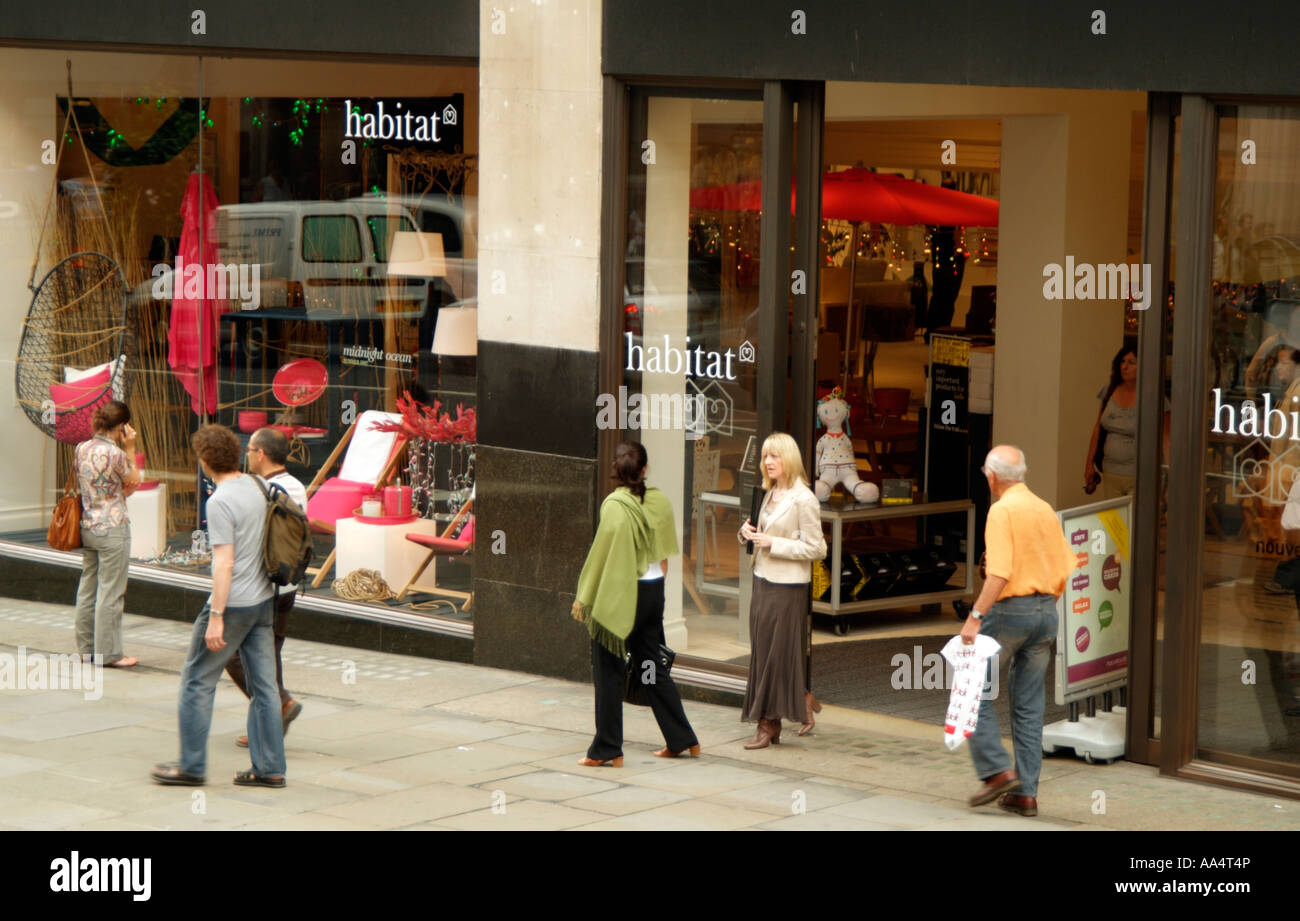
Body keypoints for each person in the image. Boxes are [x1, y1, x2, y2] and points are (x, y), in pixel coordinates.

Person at [152, 424, 286, 788]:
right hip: (262, 601)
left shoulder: (221, 501)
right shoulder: (258, 486)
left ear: (204, 462)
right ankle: (270, 767)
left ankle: (192, 766)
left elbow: (224, 563)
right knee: (265, 687)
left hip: (234, 603)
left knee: (197, 680)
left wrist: (216, 617)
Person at [960, 446, 1077, 817]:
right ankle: (1026, 794)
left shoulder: (1001, 510)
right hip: (1046, 612)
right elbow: (1065, 563)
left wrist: (976, 614)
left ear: (992, 477)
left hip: (1010, 611)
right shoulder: (1043, 508)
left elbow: (999, 573)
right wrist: (1045, 602)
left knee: (970, 687)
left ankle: (996, 772)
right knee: (1028, 708)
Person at [572, 441, 699, 766]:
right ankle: (683, 738)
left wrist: (585, 597)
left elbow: (601, 557)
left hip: (621, 596)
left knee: (608, 670)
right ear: (645, 469)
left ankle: (608, 749)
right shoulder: (658, 502)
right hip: (653, 592)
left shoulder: (614, 506)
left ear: (616, 470)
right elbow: (665, 559)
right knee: (650, 666)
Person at [737, 432, 828, 748]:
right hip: (762, 580)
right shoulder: (768, 492)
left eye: (774, 456)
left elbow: (817, 548)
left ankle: (769, 723)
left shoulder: (804, 499)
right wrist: (745, 533)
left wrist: (775, 543)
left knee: (776, 655)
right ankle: (802, 699)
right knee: (764, 652)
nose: (768, 462)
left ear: (788, 459)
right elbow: (760, 533)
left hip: (788, 588)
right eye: (765, 457)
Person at [227, 427, 305, 749]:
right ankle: (268, 725)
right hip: (288, 585)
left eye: (249, 451)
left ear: (261, 454)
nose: (246, 457)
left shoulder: (261, 488)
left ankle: (280, 704)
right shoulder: (297, 486)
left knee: (233, 654)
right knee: (269, 654)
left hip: (264, 587)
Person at [73, 401, 142, 668]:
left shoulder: (81, 448)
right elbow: (133, 479)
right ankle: (110, 654)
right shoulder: (116, 454)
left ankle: (87, 649)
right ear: (122, 426)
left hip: (88, 524)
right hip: (113, 526)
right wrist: (131, 448)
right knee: (111, 593)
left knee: (88, 587)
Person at [1084, 346, 1138, 499]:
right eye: (1122, 362)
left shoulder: (1150, 395)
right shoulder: (1109, 390)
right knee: (1114, 521)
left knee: (1132, 521)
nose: (1125, 366)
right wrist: (1089, 464)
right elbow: (1097, 429)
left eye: (1131, 362)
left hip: (1136, 474)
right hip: (1110, 472)